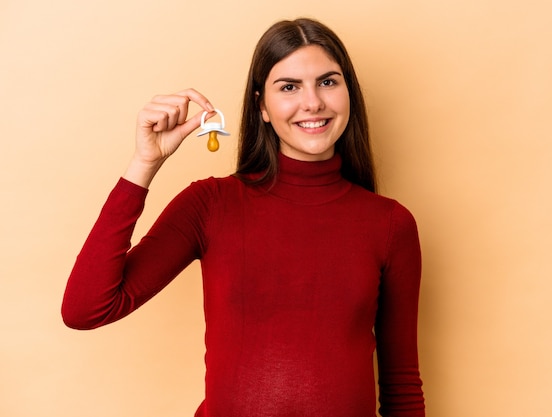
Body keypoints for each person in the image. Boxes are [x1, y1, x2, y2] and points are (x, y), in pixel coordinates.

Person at [62, 17, 425, 417]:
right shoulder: (211, 204)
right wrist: (144, 164)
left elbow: (401, 386)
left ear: (348, 94)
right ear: (261, 107)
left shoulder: (389, 224)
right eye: (289, 87)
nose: (313, 102)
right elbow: (86, 308)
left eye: (328, 82)